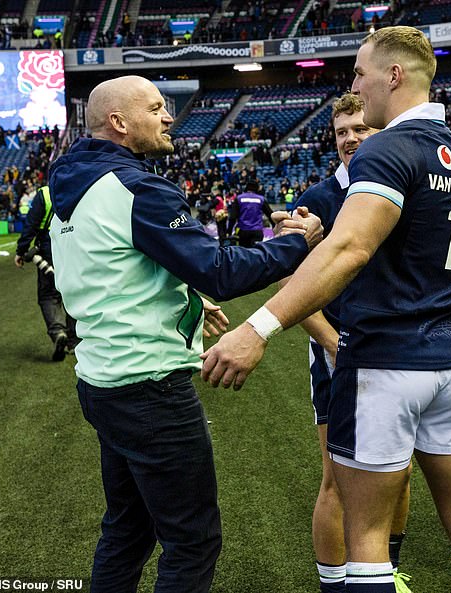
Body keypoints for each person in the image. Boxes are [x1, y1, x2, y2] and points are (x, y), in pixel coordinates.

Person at [202, 26, 451, 593]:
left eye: (358, 72)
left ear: (393, 76)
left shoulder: (387, 149)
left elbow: (351, 248)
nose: (354, 85)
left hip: (384, 363)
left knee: (367, 538)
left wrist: (259, 326)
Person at [48, 75, 323, 593]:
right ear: (120, 123)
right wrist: (296, 244)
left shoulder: (72, 180)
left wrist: (187, 300)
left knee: (128, 529)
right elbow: (219, 269)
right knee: (192, 540)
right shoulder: (136, 187)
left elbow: (111, 268)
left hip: (103, 379)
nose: (169, 117)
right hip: (149, 386)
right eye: (156, 108)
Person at [290, 92, 411, 593]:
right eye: (342, 132)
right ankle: (334, 586)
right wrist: (332, 343)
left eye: (360, 129)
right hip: (339, 356)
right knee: (337, 479)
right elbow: (293, 287)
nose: (350, 140)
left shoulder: (401, 183)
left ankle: (392, 568)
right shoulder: (318, 200)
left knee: (399, 474)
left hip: (398, 351)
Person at [15, 185, 77, 361]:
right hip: (74, 250)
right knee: (72, 292)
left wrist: (21, 250)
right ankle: (74, 341)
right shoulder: (80, 185)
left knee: (48, 296)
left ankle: (58, 332)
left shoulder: (45, 193)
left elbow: (31, 224)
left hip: (49, 249)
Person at [228, 179, 274, 247]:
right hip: (257, 231)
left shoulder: (239, 198)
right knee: (257, 253)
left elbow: (233, 217)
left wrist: (228, 232)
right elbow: (270, 215)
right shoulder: (261, 199)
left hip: (243, 231)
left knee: (243, 253)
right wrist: (274, 226)